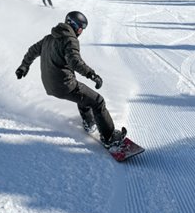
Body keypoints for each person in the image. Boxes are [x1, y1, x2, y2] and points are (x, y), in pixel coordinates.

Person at [16, 11, 126, 149]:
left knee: (85, 97)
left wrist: (23, 66)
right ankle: (109, 138)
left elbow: (32, 51)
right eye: (81, 28)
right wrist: (92, 75)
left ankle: (89, 123)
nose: (81, 32)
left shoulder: (49, 38)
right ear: (75, 26)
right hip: (64, 85)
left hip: (50, 85)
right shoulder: (70, 40)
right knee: (98, 101)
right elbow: (74, 61)